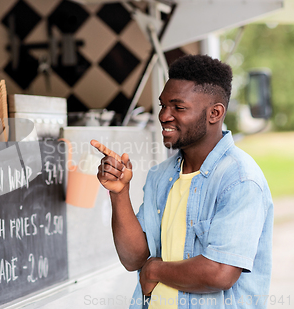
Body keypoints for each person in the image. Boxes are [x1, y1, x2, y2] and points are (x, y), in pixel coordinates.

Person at [91, 55, 273, 309]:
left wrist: (155, 271)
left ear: (215, 113)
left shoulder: (240, 179)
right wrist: (119, 193)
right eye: (163, 105)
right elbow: (134, 259)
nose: (164, 116)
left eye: (178, 107)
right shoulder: (160, 175)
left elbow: (220, 272)